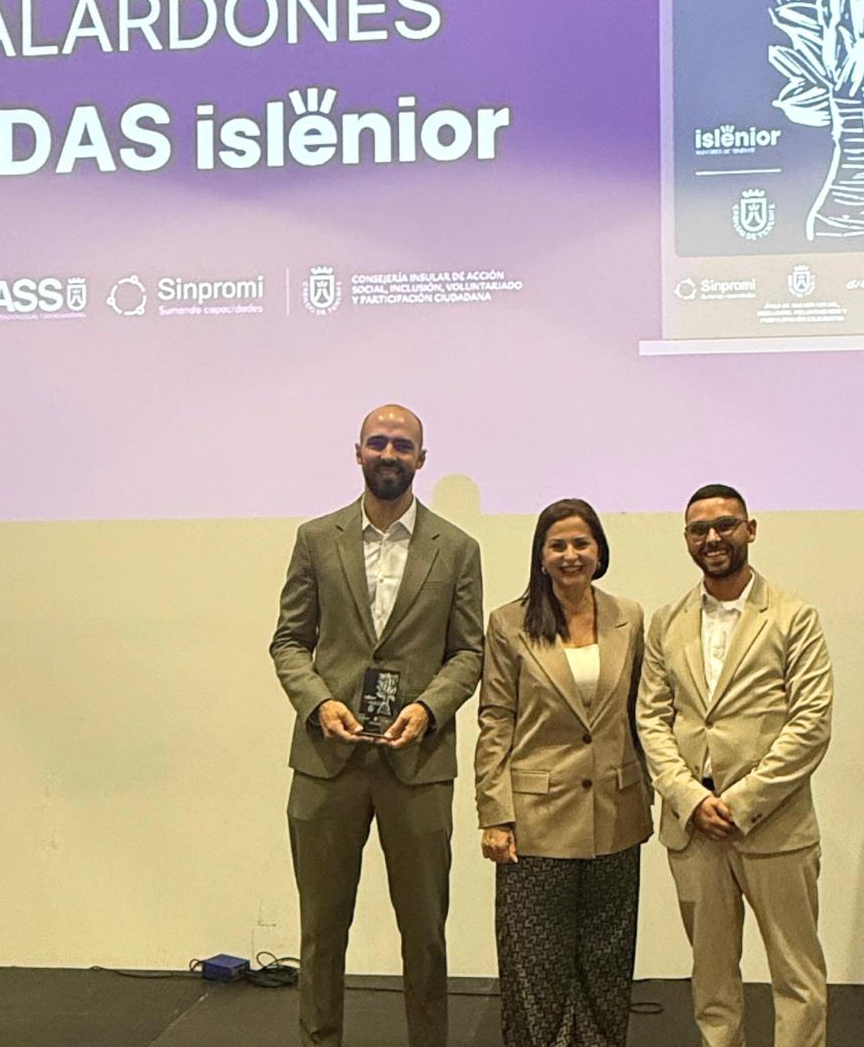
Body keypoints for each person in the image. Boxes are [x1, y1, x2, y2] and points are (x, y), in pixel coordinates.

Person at [270, 404, 485, 1047]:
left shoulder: (459, 549)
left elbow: (468, 652)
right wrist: (318, 703)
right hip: (326, 760)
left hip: (417, 761)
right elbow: (289, 641)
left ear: (422, 459)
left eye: (403, 445)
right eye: (378, 442)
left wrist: (429, 708)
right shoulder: (316, 539)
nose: (389, 454)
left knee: (425, 931)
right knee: (320, 929)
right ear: (358, 451)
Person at [636, 484, 834, 1047]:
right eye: (699, 529)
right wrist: (691, 799)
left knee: (797, 977)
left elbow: (811, 725)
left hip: (775, 827)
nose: (712, 538)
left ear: (750, 529)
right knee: (712, 979)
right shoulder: (666, 621)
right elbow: (651, 720)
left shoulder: (794, 616)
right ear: (687, 539)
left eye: (725, 525)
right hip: (694, 828)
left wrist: (741, 803)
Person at [474, 498, 652, 1047]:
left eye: (581, 543)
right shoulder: (509, 623)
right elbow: (495, 719)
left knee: (607, 957)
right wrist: (495, 814)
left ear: (599, 550)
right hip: (536, 820)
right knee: (536, 961)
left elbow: (642, 715)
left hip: (616, 813)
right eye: (558, 545)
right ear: (541, 556)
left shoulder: (630, 617)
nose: (570, 555)